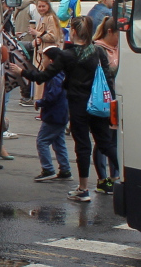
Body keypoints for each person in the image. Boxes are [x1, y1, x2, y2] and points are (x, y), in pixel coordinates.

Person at [10, 15, 114, 203]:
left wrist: (22, 72)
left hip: (78, 106)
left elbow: (43, 76)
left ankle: (83, 188)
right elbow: (108, 79)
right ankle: (121, 179)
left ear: (73, 32)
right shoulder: (98, 52)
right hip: (99, 104)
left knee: (83, 146)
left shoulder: (68, 55)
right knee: (106, 143)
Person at [92, 17, 121, 193]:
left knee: (114, 140)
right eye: (118, 34)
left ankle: (115, 177)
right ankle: (103, 179)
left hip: (117, 100)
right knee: (103, 140)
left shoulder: (120, 48)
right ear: (110, 32)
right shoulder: (98, 49)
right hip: (103, 101)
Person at [33, 68, 71, 182]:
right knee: (59, 142)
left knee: (42, 141)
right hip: (61, 114)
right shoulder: (63, 73)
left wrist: (40, 102)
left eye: (44, 58)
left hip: (54, 114)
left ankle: (48, 169)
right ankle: (65, 170)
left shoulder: (54, 76)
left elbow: (52, 96)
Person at [30, 0, 63, 110]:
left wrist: (37, 34)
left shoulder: (50, 18)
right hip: (41, 54)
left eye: (43, 6)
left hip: (48, 55)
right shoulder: (42, 18)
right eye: (39, 6)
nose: (41, 9)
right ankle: (42, 104)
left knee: (46, 81)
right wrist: (37, 40)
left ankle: (43, 105)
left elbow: (52, 36)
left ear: (48, 6)